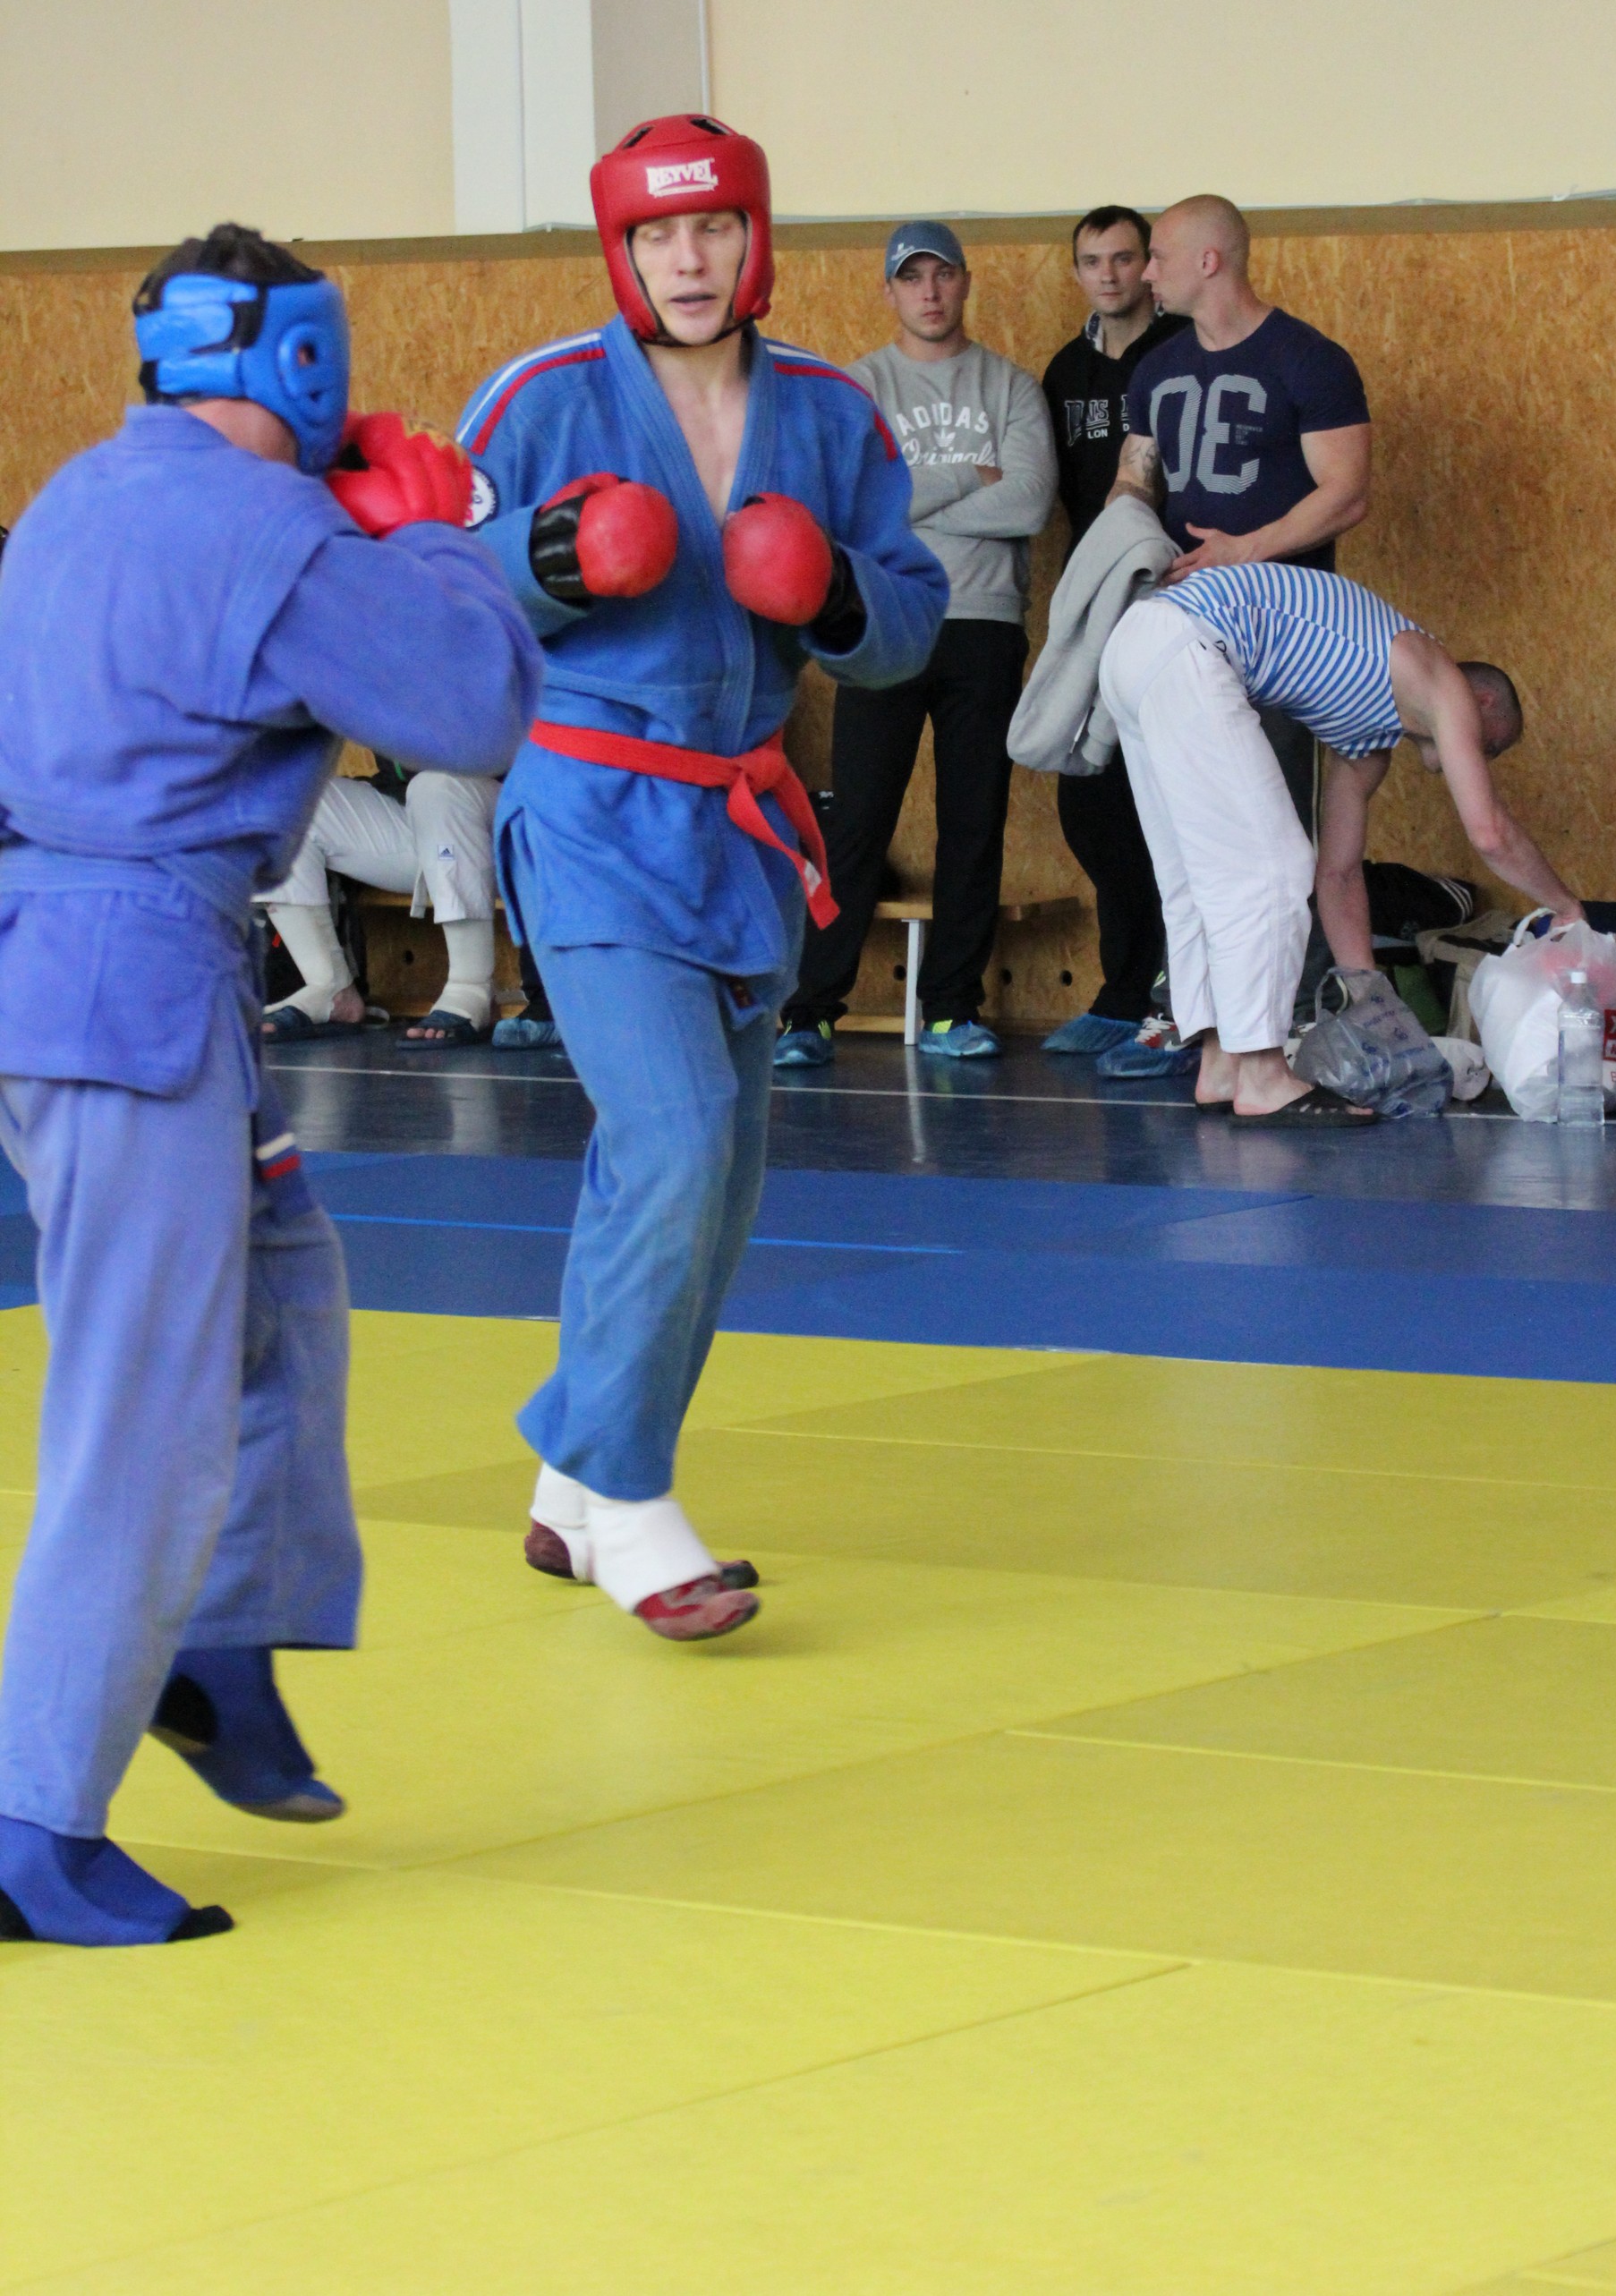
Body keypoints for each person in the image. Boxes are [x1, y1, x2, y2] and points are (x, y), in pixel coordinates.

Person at [0, 225, 540, 1947]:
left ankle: (220, 1647)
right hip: (131, 992)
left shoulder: (75, 497)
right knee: (140, 1415)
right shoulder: (260, 529)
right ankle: (31, 1829)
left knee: (283, 1280)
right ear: (300, 362)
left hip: (77, 971)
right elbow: (474, 703)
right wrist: (438, 531)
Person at [462, 116, 944, 1642]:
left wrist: (833, 589)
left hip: (739, 827)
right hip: (590, 811)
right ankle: (628, 1501)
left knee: (706, 1183)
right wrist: (554, 558)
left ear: (755, 237)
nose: (689, 259)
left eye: (714, 228)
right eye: (660, 234)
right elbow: (436, 588)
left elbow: (911, 623)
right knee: (673, 1140)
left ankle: (566, 1479)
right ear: (622, 248)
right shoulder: (540, 400)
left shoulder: (832, 413)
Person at [1098, 562, 1581, 1118]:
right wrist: (1566, 906)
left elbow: (1339, 874)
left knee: (1200, 880)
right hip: (1185, 640)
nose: (1484, 756)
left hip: (1134, 653)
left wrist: (1372, 998)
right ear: (1486, 702)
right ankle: (1263, 1076)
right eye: (1494, 745)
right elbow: (1489, 832)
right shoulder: (1437, 674)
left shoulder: (1363, 737)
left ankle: (1221, 1066)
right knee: (1275, 870)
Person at [1102, 192, 1374, 1079]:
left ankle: (1283, 1022)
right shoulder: (1153, 372)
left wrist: (1242, 552)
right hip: (1180, 634)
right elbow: (1133, 486)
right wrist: (1119, 562)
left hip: (1283, 632)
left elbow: (1346, 492)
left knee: (1276, 834)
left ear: (1209, 260)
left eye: (1158, 256)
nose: (1146, 272)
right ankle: (1211, 1032)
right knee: (1191, 838)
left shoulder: (1310, 360)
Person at [777, 219, 1055, 1065]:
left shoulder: (1011, 387)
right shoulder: (858, 387)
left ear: (964, 281)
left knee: (973, 823)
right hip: (886, 623)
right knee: (856, 822)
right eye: (912, 278)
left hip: (985, 626)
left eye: (942, 275)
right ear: (889, 291)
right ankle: (809, 1012)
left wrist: (910, 500)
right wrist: (970, 475)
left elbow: (1028, 504)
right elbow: (849, 509)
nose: (929, 292)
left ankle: (950, 1011)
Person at [1038, 206, 1184, 1055]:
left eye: (1124, 258)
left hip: (1177, 596)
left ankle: (1170, 998)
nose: (1109, 274)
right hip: (1095, 603)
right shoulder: (1064, 371)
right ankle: (1122, 991)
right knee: (1090, 800)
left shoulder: (1182, 354)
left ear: (1149, 267)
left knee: (1172, 800)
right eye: (1092, 261)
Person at [259, 761, 503, 1045]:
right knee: (274, 797)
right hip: (413, 813)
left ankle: (472, 987)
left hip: (504, 823)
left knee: (437, 785)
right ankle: (330, 988)